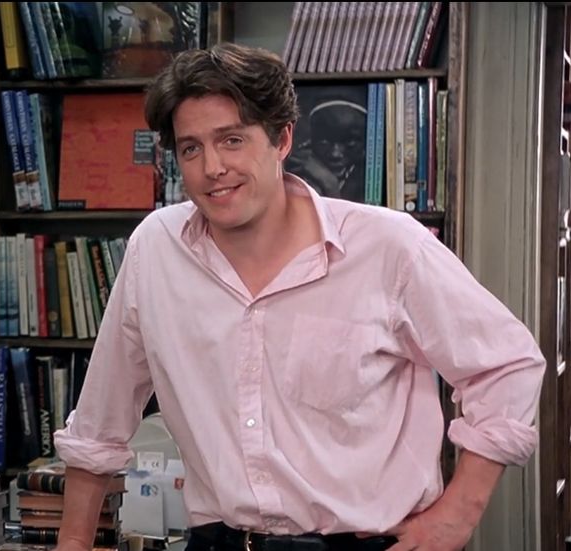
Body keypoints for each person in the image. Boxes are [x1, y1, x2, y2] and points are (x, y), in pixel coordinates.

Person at [53, 42, 545, 551]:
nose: (212, 168)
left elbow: (506, 365)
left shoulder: (388, 247)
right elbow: (97, 425)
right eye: (191, 148)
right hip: (219, 542)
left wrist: (457, 516)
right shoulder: (155, 249)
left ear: (282, 139)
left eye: (232, 140)